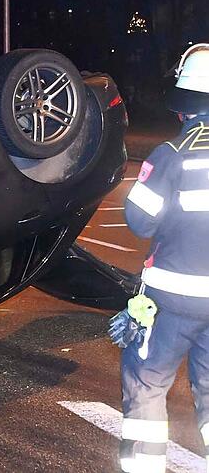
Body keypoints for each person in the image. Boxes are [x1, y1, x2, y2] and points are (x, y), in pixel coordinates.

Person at [120, 43, 209, 472]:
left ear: (183, 105)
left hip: (173, 299)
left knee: (147, 381)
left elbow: (140, 222)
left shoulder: (171, 155)